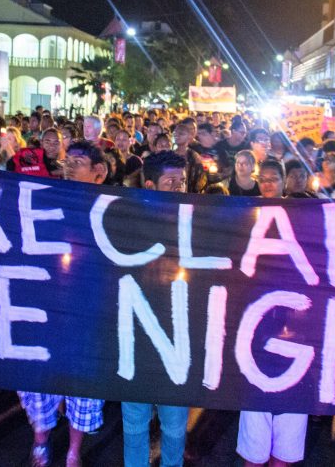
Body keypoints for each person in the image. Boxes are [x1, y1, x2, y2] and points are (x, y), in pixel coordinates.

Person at [19, 141, 106, 467]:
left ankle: (73, 449)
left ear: (99, 172)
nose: (70, 165)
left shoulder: (110, 209)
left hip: (87, 318)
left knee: (82, 388)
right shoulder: (45, 200)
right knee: (39, 381)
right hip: (46, 313)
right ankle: (41, 440)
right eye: (67, 160)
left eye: (79, 161)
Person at [237, 159, 309, 467]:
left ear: (283, 181)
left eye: (274, 178)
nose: (268, 184)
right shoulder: (244, 216)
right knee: (255, 443)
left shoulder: (303, 217)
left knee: (286, 448)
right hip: (256, 338)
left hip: (296, 337)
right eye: (263, 179)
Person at [122, 150, 189, 467]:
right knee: (135, 425)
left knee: (174, 427)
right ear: (150, 185)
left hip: (179, 344)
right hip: (134, 342)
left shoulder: (195, 221)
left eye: (182, 182)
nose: (178, 188)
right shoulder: (128, 222)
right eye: (170, 182)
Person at [173, 122, 206, 193]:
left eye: (181, 133)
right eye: (175, 133)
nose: (177, 136)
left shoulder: (194, 156)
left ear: (189, 136)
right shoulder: (170, 155)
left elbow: (200, 179)